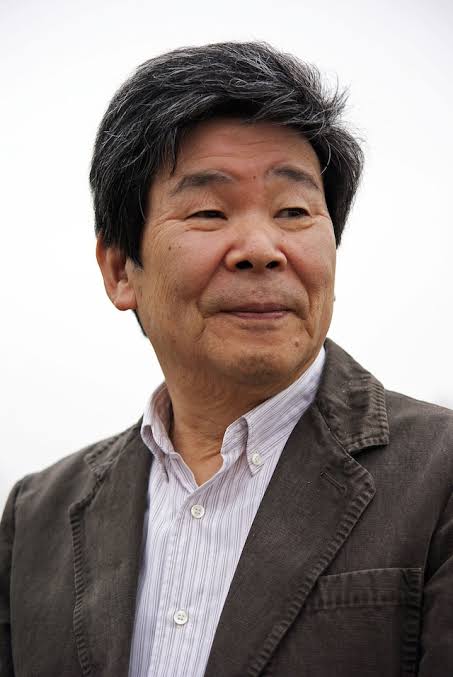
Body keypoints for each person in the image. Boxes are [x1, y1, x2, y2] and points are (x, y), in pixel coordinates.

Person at [0, 41, 452, 677]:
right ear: (119, 269)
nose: (261, 249)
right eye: (210, 212)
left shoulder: (439, 475)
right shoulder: (35, 518)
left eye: (293, 211)